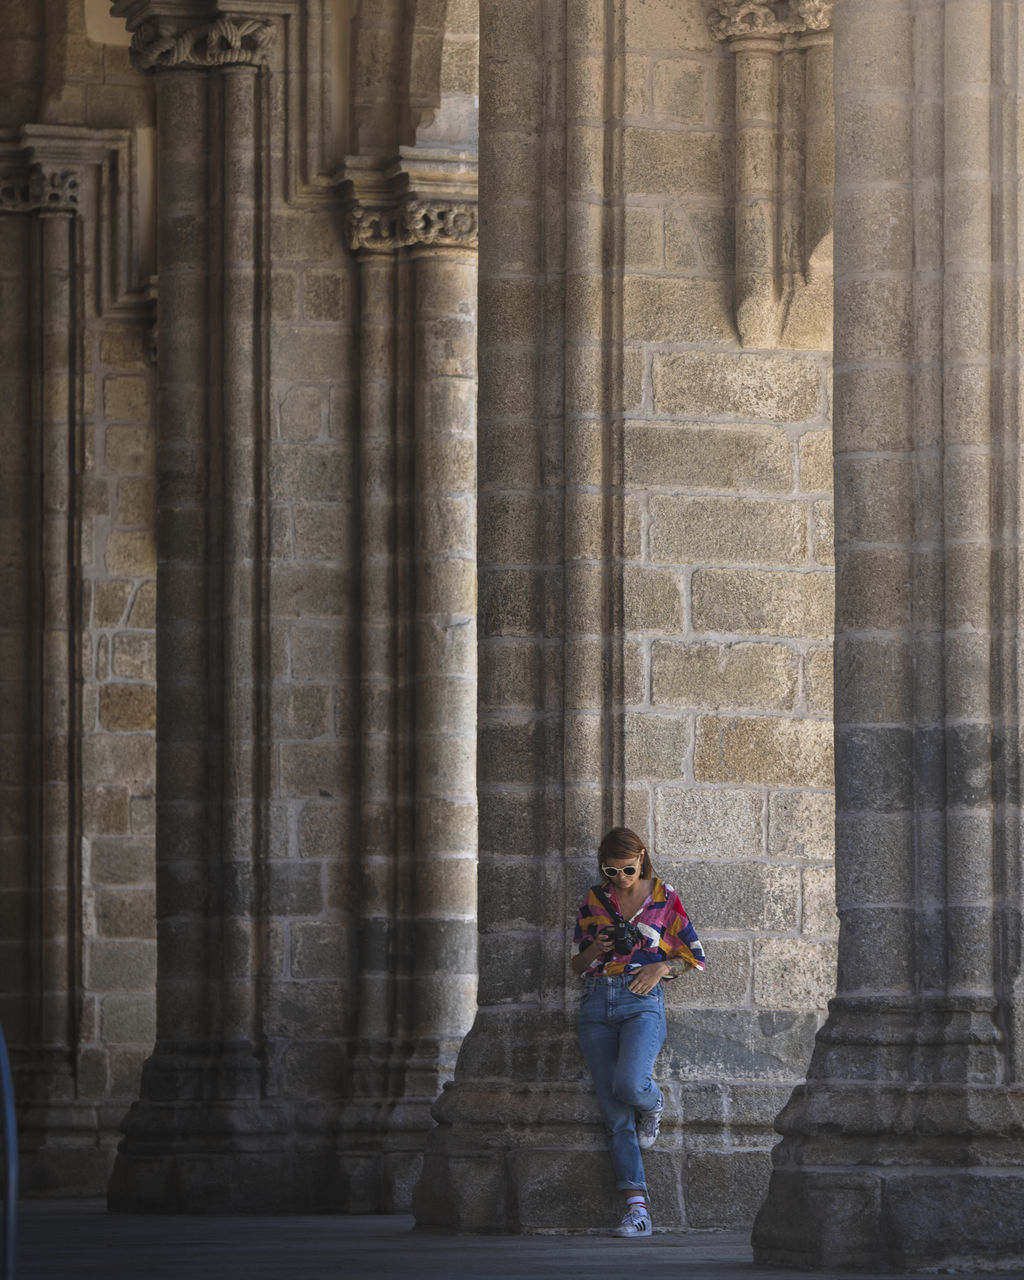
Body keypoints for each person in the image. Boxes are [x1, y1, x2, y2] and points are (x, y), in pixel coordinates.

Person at [571, 826, 706, 1238]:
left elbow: (695, 957)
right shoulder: (596, 899)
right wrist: (600, 948)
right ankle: (637, 1210)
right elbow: (577, 965)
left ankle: (653, 1102)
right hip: (596, 1001)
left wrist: (661, 966)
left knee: (629, 1086)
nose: (621, 879)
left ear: (641, 857)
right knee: (613, 1115)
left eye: (627, 870)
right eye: (611, 872)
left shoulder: (665, 897)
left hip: (641, 1000)